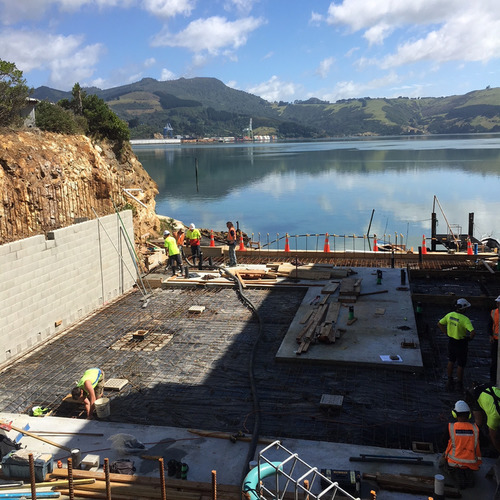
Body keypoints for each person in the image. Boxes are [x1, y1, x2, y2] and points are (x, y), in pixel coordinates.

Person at [441, 400, 481, 489]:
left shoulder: (450, 427)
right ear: (469, 415)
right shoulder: (476, 428)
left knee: (441, 462)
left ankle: (456, 475)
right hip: (471, 463)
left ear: (454, 414)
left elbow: (443, 442)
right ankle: (467, 474)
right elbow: (484, 443)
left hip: (454, 462)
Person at [437, 298, 476, 391]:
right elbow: (472, 332)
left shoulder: (450, 315)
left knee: (451, 361)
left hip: (451, 342)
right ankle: (459, 383)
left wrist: (446, 332)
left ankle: (449, 380)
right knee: (461, 364)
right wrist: (469, 338)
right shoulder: (465, 319)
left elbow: (439, 324)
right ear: (463, 308)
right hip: (461, 343)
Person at [467, 383, 500, 454]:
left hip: (488, 389)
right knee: (479, 423)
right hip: (476, 395)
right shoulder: (494, 416)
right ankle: (475, 440)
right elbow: (493, 436)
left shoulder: (494, 417)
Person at [488, 296, 500, 384]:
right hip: (495, 341)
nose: (498, 304)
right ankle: (493, 380)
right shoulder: (493, 312)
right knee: (494, 362)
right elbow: (489, 325)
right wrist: (490, 335)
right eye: (497, 303)